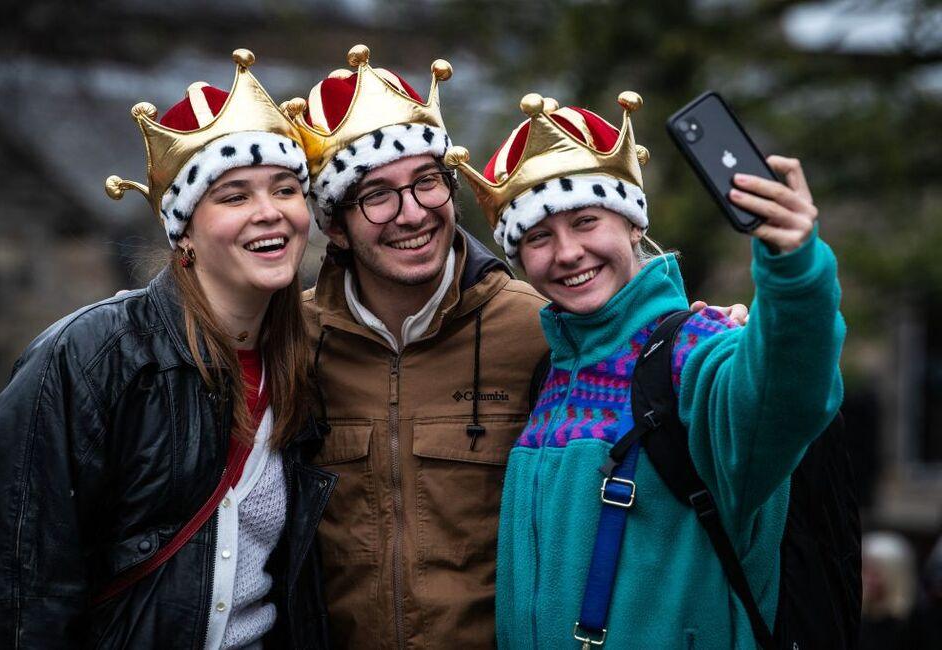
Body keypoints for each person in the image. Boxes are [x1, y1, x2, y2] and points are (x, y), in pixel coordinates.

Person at [283, 45, 748, 648]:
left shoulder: (539, 328)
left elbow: (637, 343)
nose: (412, 213)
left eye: (428, 182)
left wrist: (711, 333)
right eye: (376, 195)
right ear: (333, 224)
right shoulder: (291, 340)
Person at [446, 91, 845, 647]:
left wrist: (794, 271)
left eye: (587, 221)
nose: (566, 253)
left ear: (634, 225)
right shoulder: (551, 375)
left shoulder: (696, 351)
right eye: (538, 237)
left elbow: (787, 398)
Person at [0, 49, 334, 648]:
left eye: (286, 189)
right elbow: (13, 589)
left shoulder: (309, 362)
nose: (270, 214)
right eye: (234, 196)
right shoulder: (86, 357)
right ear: (184, 230)